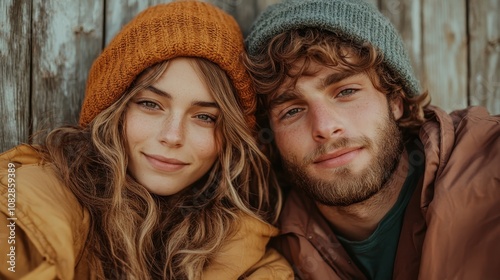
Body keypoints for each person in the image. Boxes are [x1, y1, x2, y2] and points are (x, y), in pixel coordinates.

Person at [0, 1, 293, 279]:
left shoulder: (252, 260)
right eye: (151, 104)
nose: (172, 136)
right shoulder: (24, 197)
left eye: (204, 117)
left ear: (231, 135)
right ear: (114, 109)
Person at [243, 0, 500, 279]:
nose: (326, 127)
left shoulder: (491, 166)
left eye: (346, 92)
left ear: (396, 100)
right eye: (292, 110)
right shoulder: (261, 246)